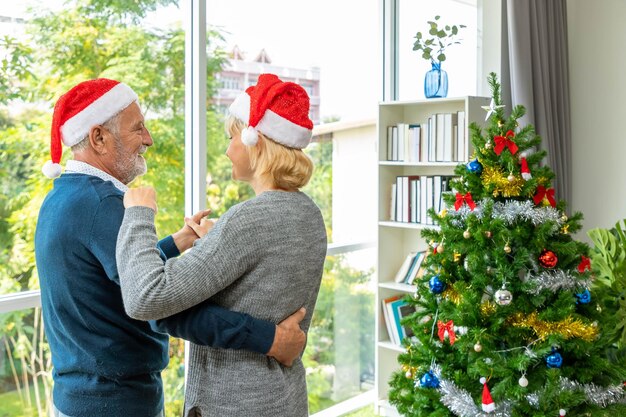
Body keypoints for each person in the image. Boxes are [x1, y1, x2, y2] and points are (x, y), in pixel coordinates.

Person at [34, 78, 307, 417]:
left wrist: (177, 242)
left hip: (79, 397)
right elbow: (160, 303)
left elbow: (117, 275)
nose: (148, 139)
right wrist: (272, 340)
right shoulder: (104, 204)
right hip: (115, 404)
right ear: (98, 138)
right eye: (138, 129)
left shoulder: (63, 196)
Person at [116, 73, 328, 417]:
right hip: (284, 399)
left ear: (255, 141)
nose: (228, 149)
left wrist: (139, 214)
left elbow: (146, 296)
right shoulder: (309, 213)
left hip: (235, 405)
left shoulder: (249, 220)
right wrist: (218, 240)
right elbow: (260, 280)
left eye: (232, 137)